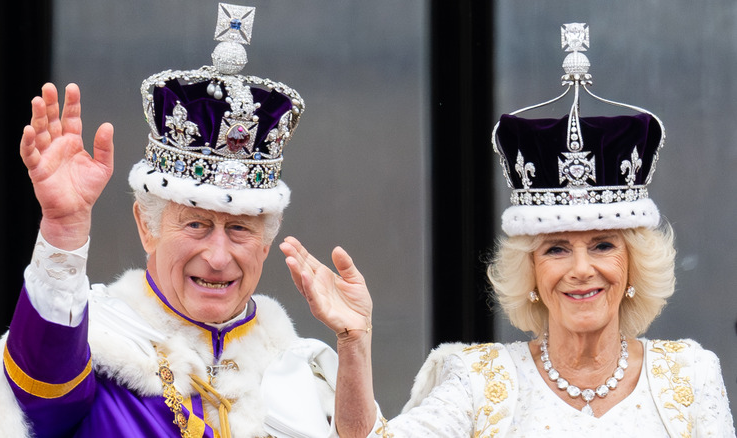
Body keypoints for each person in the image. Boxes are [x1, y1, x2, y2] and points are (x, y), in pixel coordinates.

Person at [280, 23, 736, 437]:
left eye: (602, 245)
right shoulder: (479, 381)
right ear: (530, 271)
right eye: (556, 249)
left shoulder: (688, 377)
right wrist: (355, 340)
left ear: (635, 263)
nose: (581, 269)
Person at [0, 4, 339, 437]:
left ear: (266, 242)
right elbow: (41, 389)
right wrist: (63, 232)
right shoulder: (96, 347)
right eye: (196, 224)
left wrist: (355, 343)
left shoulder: (301, 377)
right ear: (147, 226)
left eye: (239, 228)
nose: (218, 258)